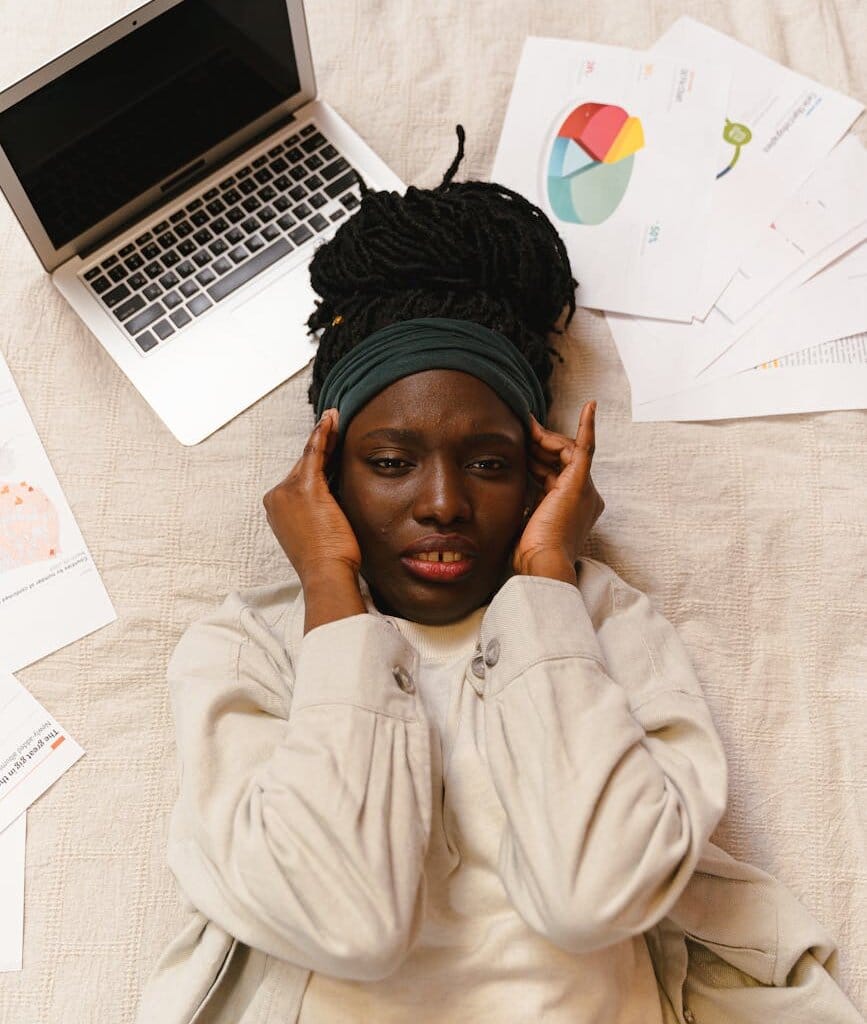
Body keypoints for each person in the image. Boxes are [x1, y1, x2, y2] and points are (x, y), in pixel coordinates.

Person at [136, 127, 863, 1024]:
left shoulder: (600, 619)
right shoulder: (250, 646)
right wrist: (329, 587)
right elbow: (343, 922)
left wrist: (547, 582)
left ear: (537, 481)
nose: (443, 503)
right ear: (325, 475)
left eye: (487, 464)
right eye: (391, 462)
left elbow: (595, 896)